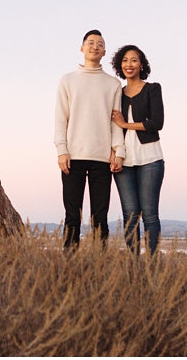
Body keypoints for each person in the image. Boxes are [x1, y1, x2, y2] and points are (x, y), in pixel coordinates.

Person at [54, 30, 125, 248]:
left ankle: (99, 267)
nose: (95, 46)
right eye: (91, 43)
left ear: (104, 52)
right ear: (82, 48)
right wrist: (61, 150)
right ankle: (68, 268)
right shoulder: (68, 80)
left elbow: (115, 122)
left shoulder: (112, 84)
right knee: (72, 216)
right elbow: (60, 118)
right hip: (72, 157)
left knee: (100, 218)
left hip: (102, 159)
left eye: (100, 44)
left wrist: (119, 151)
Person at [110, 44, 165, 255]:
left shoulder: (152, 89)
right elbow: (111, 127)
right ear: (119, 65)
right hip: (124, 161)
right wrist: (114, 154)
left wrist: (126, 125)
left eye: (134, 60)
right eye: (124, 60)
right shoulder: (117, 93)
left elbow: (157, 122)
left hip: (150, 158)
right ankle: (133, 268)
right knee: (130, 215)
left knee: (150, 215)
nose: (129, 64)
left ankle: (152, 266)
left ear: (141, 64)